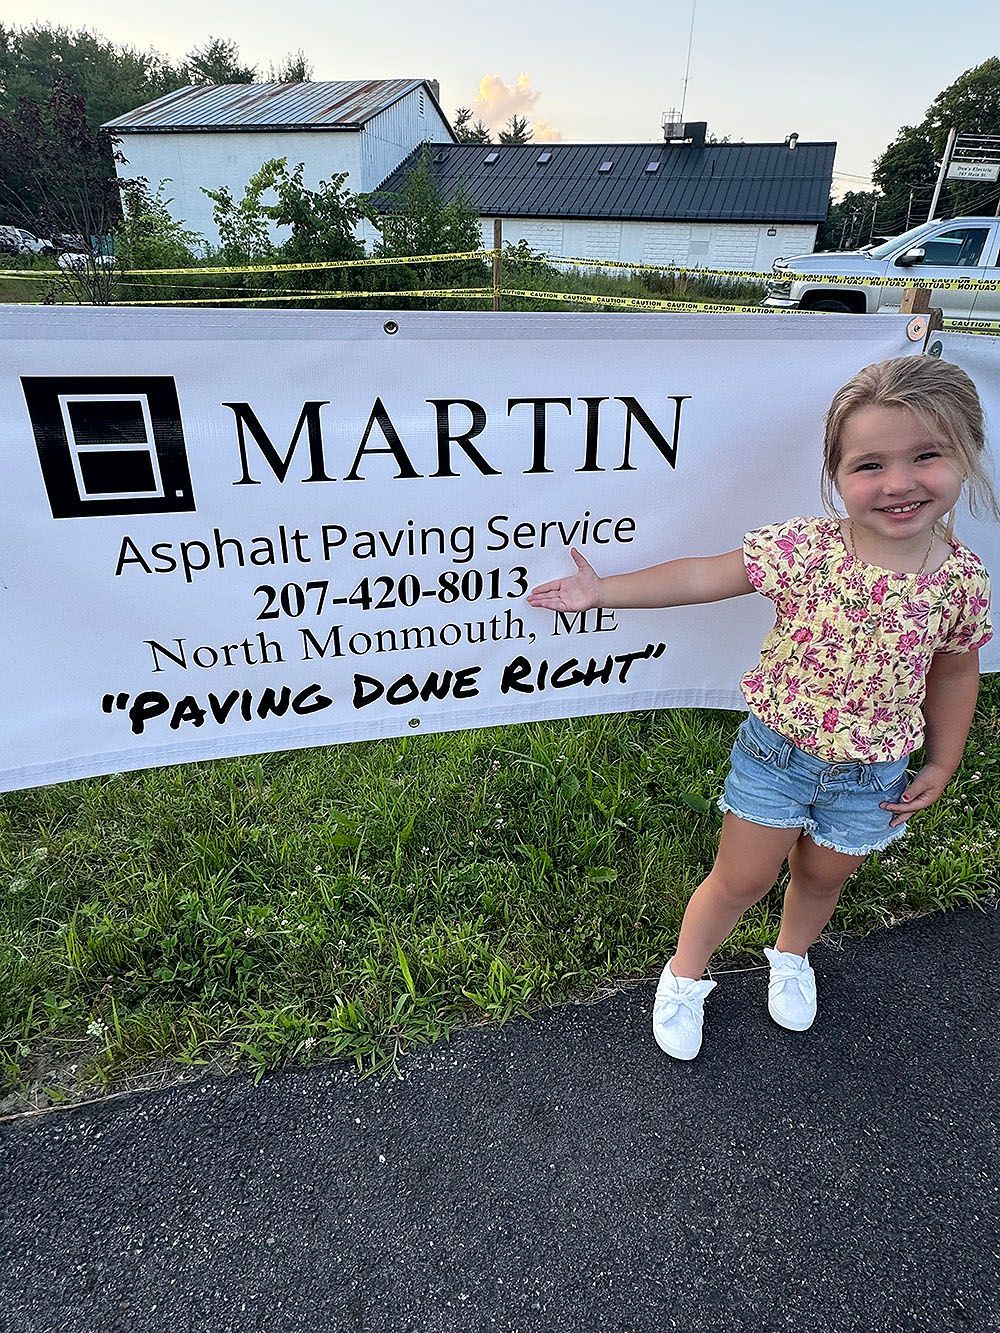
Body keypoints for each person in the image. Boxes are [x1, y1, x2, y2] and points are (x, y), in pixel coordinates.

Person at [527, 356, 996, 1061]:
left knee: (823, 876)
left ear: (967, 453)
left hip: (875, 774)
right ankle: (685, 973)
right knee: (742, 877)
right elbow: (700, 574)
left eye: (926, 455)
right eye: (870, 464)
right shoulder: (806, 549)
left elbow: (957, 668)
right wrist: (605, 591)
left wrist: (945, 756)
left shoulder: (960, 577)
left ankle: (791, 955)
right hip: (778, 756)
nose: (898, 483)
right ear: (837, 476)